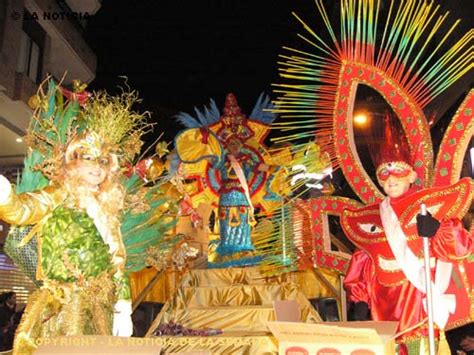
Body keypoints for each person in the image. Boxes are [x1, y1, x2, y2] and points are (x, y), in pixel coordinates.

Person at [0, 80, 168, 355]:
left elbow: (117, 258)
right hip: (63, 306)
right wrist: (5, 196)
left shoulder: (106, 209)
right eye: (89, 159)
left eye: (103, 162)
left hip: (100, 305)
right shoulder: (58, 194)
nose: (97, 168)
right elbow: (24, 210)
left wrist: (123, 304)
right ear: (74, 162)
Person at [342, 116, 473, 354]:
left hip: (418, 299)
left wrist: (436, 230)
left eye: (398, 171)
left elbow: (462, 248)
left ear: (412, 175)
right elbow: (363, 259)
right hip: (383, 306)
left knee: (419, 349)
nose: (391, 178)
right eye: (383, 173)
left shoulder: (430, 206)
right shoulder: (371, 216)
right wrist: (359, 299)